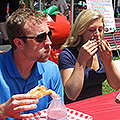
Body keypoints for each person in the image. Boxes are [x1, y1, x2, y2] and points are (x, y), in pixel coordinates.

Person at [0, 8, 64, 120]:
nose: (49, 42)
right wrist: (3, 111)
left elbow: (57, 114)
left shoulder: (51, 70)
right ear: (19, 43)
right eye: (40, 37)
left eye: (49, 34)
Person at [58, 9, 120, 104]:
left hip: (98, 104)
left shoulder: (101, 52)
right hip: (75, 107)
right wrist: (81, 61)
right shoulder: (68, 53)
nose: (97, 35)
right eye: (91, 30)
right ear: (80, 31)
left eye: (100, 30)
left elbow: (116, 85)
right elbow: (71, 94)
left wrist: (108, 62)